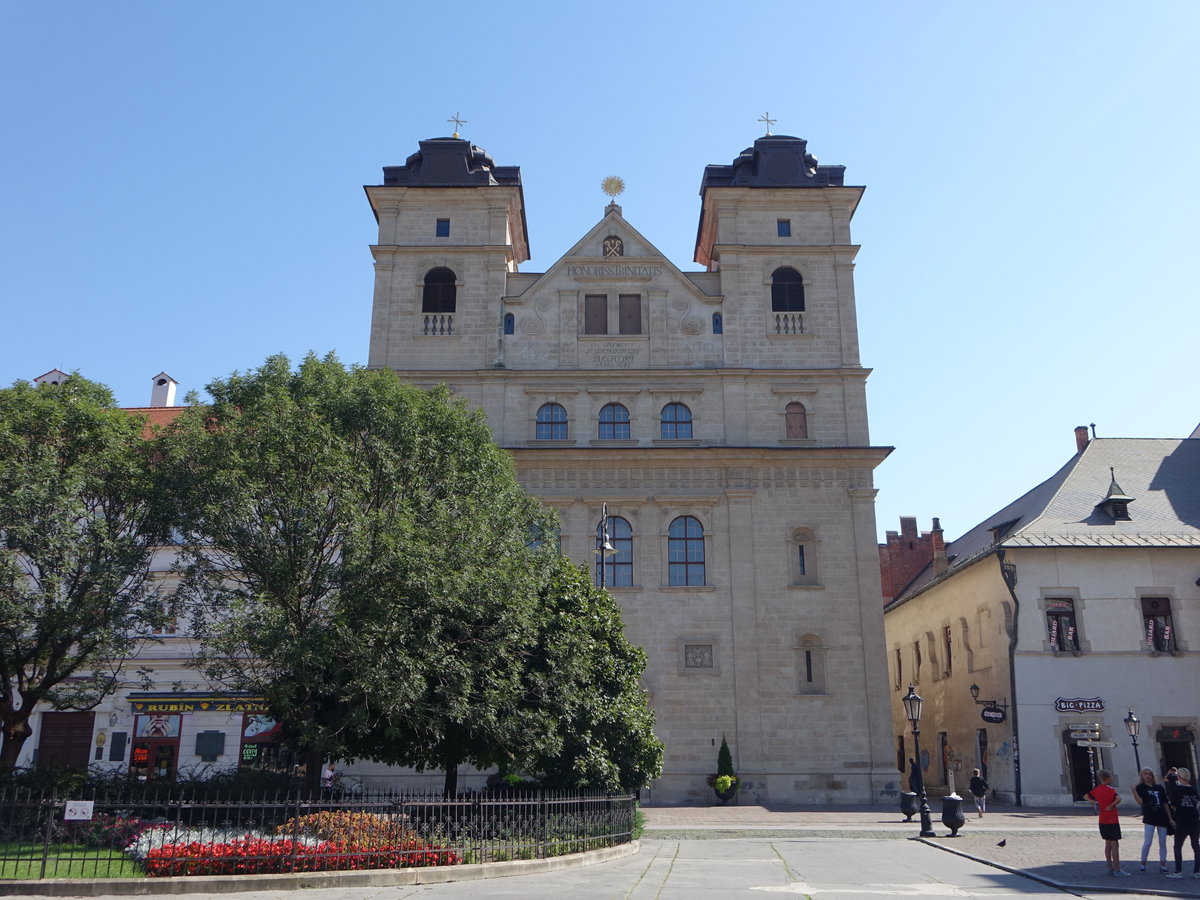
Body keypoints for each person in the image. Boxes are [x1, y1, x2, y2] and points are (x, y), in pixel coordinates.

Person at [1086, 770, 1129, 876]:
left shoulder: (1097, 790)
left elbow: (1086, 796)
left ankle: (1109, 867)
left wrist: (1096, 802)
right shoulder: (1111, 790)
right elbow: (1118, 799)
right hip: (1112, 819)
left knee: (1107, 843)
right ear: (1108, 778)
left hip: (1102, 820)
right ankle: (1117, 869)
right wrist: (1111, 805)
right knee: (1114, 844)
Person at [1132, 767, 1173, 873]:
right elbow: (1140, 802)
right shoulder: (1141, 787)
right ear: (1142, 776)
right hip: (1150, 816)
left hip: (1162, 816)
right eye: (1145, 774)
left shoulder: (1159, 788)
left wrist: (1169, 817)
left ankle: (1163, 863)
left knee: (1162, 841)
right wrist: (1134, 791)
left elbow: (1165, 803)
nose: (1148, 776)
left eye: (1150, 774)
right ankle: (1143, 862)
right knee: (1148, 841)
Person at [1165, 767, 1200, 879]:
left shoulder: (1176, 790)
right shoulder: (1193, 790)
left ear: (1179, 777)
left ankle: (1178, 871)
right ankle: (1197, 871)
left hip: (1182, 820)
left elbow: (1173, 805)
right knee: (1195, 846)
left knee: (1178, 846)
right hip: (1194, 820)